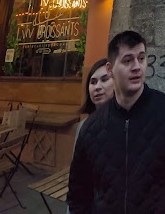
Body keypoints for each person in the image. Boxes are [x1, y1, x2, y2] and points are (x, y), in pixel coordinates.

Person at [67, 30, 165, 214]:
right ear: (110, 68)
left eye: (141, 58)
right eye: (128, 60)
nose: (137, 66)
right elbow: (78, 196)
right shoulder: (91, 128)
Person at [67, 59, 114, 214]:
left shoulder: (129, 123)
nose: (98, 87)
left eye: (104, 80)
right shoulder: (84, 127)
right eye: (93, 82)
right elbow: (77, 182)